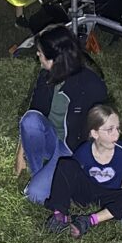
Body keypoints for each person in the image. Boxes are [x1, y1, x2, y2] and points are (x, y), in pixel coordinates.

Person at [16, 25, 108, 205]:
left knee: (36, 195)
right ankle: (38, 173)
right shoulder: (46, 75)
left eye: (41, 53)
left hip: (71, 148)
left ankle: (52, 179)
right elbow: (34, 111)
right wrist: (20, 154)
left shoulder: (90, 85)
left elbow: (100, 130)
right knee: (30, 120)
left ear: (54, 59)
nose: (37, 55)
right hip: (51, 138)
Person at [43, 105, 122, 237]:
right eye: (110, 129)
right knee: (66, 164)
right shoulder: (84, 151)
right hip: (87, 191)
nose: (116, 134)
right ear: (95, 133)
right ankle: (59, 215)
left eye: (118, 128)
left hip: (110, 194)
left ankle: (89, 220)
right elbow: (73, 172)